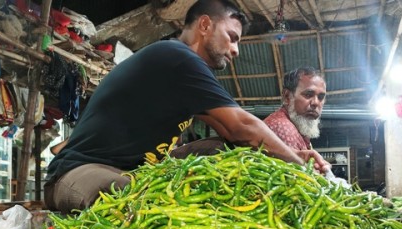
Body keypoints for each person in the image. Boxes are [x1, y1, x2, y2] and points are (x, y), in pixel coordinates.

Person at [45, 0, 329, 213]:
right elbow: (242, 126)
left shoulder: (186, 73)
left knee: (222, 148)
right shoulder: (176, 56)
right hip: (78, 172)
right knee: (137, 198)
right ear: (204, 25)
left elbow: (232, 136)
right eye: (232, 37)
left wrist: (291, 154)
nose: (236, 50)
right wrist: (300, 169)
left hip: (137, 172)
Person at [264, 67, 326, 151]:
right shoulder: (284, 129)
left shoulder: (298, 129)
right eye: (308, 95)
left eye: (320, 97)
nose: (315, 103)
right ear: (287, 96)